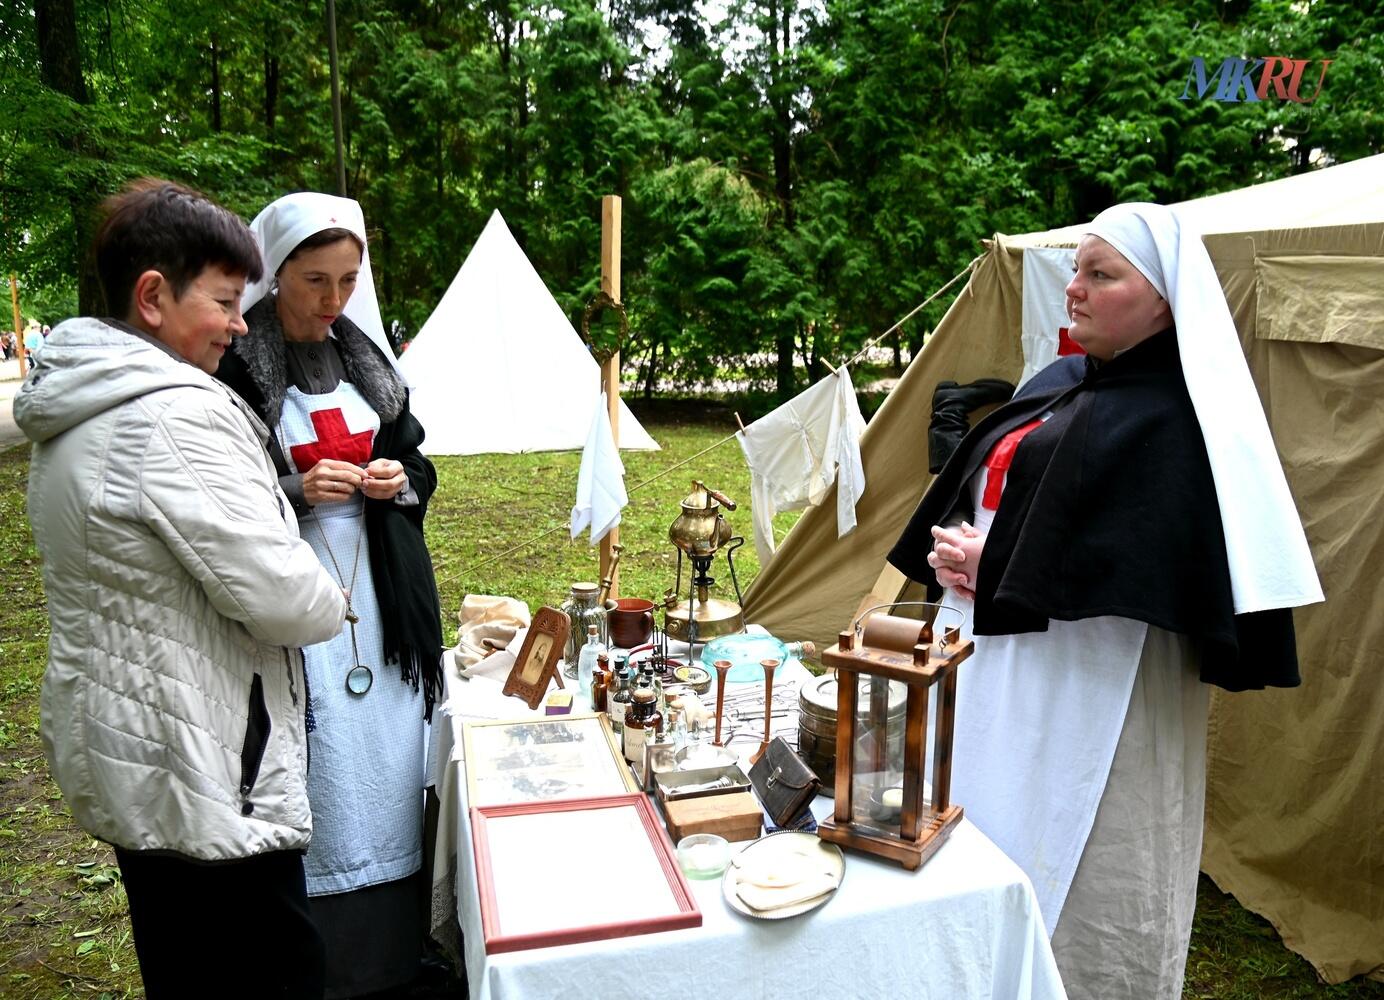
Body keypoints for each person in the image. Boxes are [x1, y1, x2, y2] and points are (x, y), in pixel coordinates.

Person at [888, 203, 1322, 1000]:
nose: (1075, 289)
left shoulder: (1181, 417)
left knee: (1087, 864)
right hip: (998, 663)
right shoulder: (1059, 382)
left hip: (1101, 684)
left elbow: (1161, 555)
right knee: (985, 816)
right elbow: (1010, 494)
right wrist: (962, 549)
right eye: (1076, 271)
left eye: (1102, 274)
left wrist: (1001, 561)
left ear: (1163, 299)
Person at [14, 179, 350, 999]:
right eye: (226, 302)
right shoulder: (172, 416)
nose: (240, 323)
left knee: (185, 966)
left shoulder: (84, 402)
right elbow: (289, 598)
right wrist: (327, 588)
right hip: (210, 772)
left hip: (140, 748)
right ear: (153, 297)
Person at [215, 192, 443, 999]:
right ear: (276, 274)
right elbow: (218, 496)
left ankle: (401, 947)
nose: (333, 299)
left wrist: (395, 479)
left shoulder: (371, 364)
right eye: (316, 280)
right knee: (321, 767)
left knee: (389, 756)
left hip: (379, 600)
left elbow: (420, 466)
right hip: (292, 605)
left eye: (348, 281)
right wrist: (294, 491)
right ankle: (325, 961)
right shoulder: (235, 371)